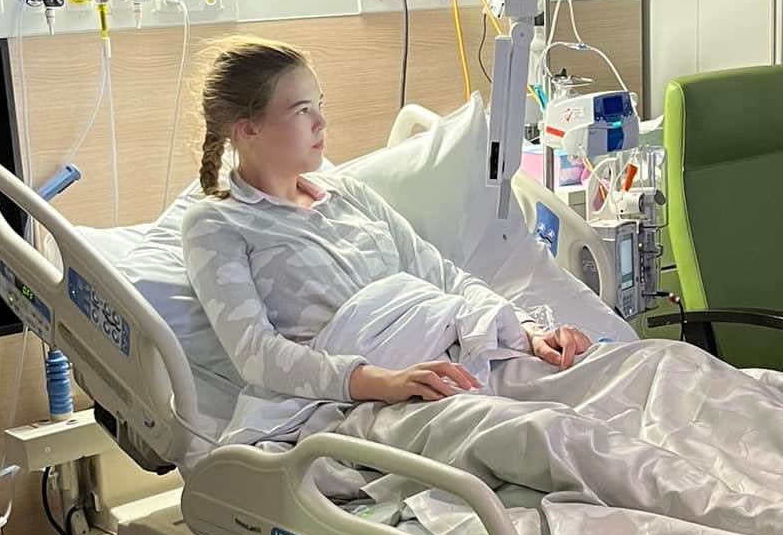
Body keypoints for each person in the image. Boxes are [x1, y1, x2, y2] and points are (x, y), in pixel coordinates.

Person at [182, 39, 592, 438]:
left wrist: (528, 330)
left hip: (452, 354)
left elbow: (443, 276)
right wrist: (383, 382)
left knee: (625, 370)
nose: (321, 123)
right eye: (302, 110)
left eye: (320, 105)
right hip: (366, 402)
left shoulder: (349, 194)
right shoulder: (217, 224)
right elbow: (257, 355)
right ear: (249, 129)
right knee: (544, 434)